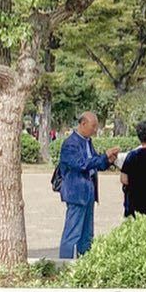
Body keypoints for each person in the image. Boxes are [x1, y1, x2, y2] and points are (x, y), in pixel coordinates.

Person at [57, 111, 119, 258]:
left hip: (89, 191)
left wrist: (107, 160)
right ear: (83, 124)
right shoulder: (70, 144)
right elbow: (81, 164)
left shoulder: (87, 142)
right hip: (76, 193)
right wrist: (103, 156)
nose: (95, 130)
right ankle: (64, 264)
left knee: (87, 234)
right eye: (93, 126)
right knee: (72, 233)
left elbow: (95, 163)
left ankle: (85, 262)